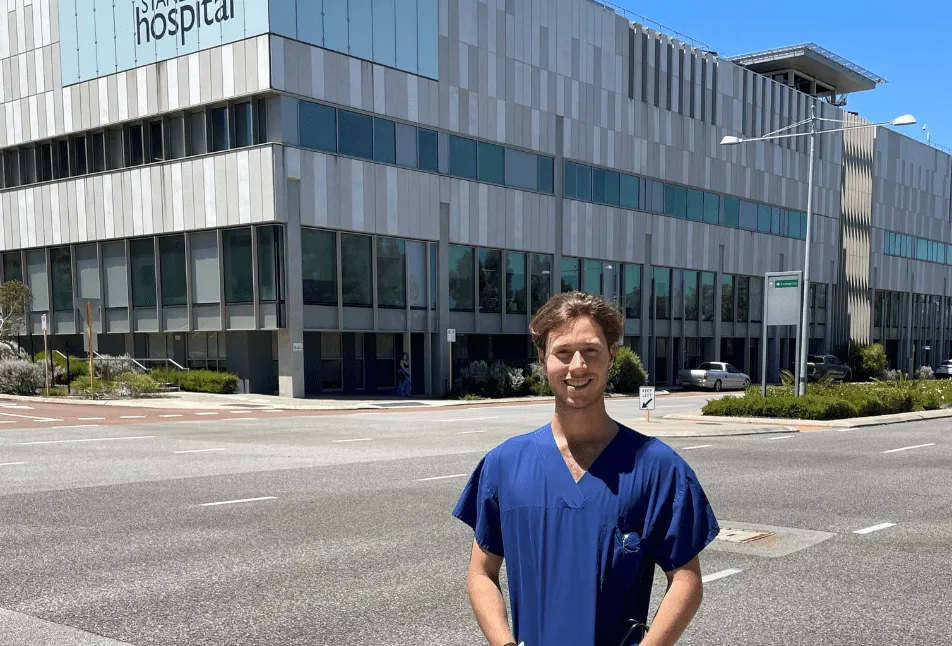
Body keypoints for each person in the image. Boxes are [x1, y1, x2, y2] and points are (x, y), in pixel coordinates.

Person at [452, 291, 719, 646]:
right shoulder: (504, 464)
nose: (577, 365)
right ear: (543, 357)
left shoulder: (659, 467)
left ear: (611, 355)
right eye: (563, 352)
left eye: (590, 351)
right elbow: (481, 572)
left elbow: (686, 579)